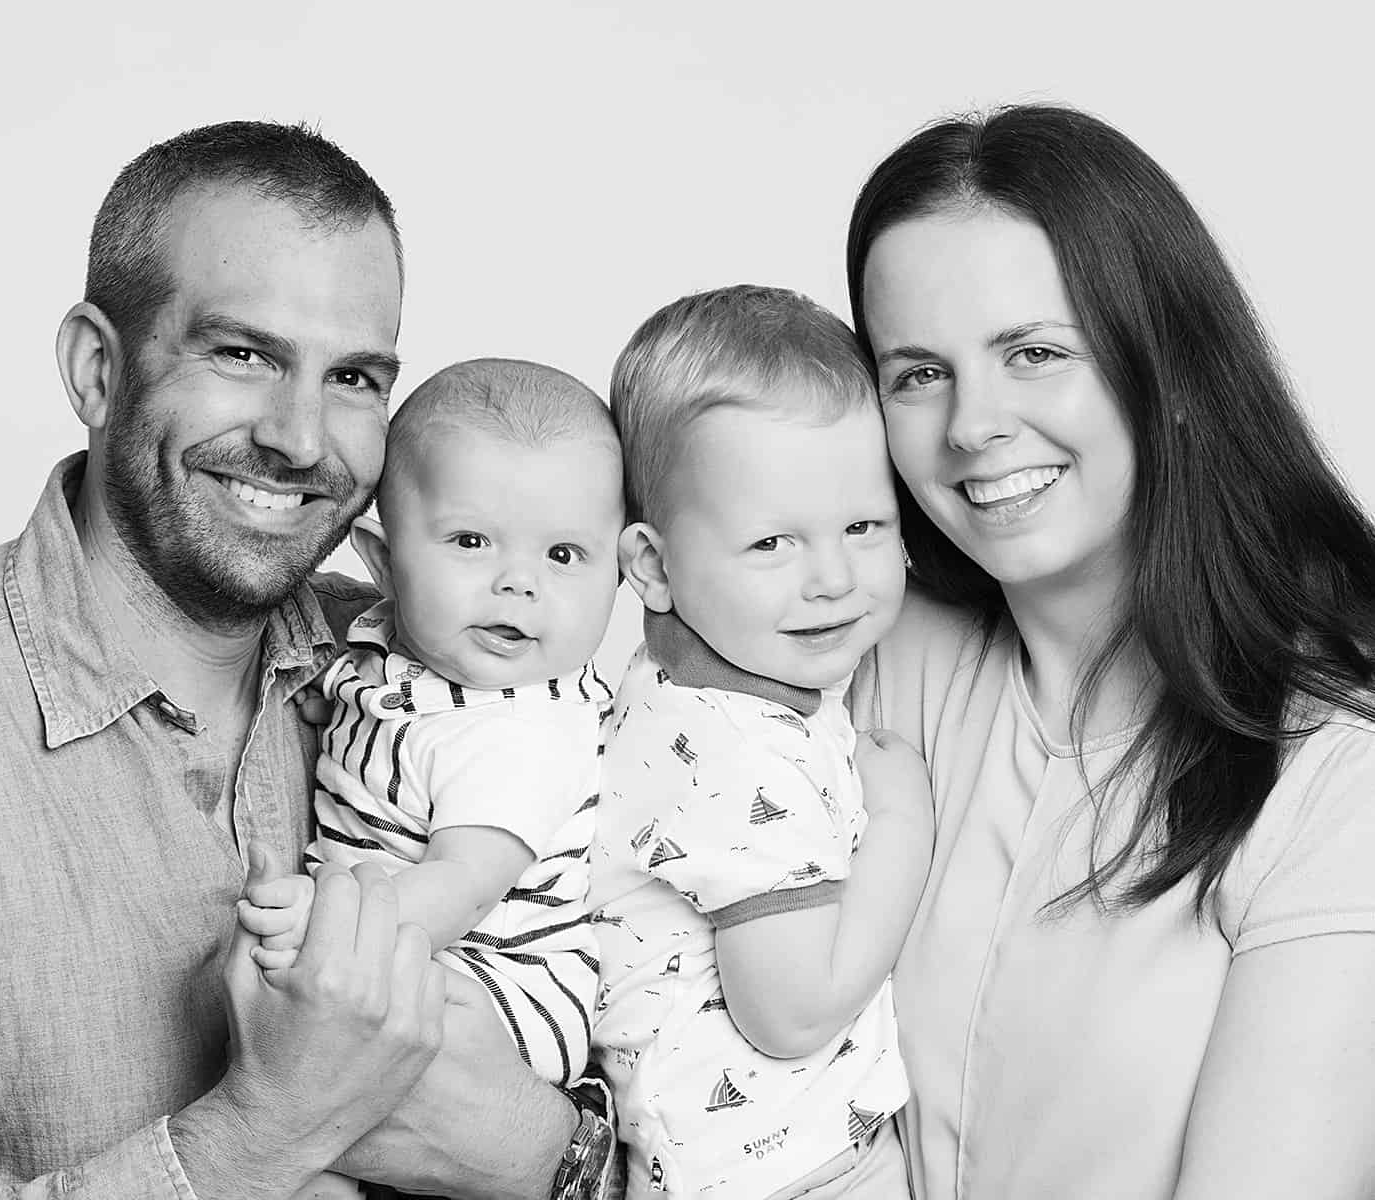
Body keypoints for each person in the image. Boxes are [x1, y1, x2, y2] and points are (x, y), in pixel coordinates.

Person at [0, 120, 602, 1200]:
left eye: (354, 376)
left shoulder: (438, 672)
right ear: (95, 368)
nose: (302, 439)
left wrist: (551, 1154)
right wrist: (269, 1126)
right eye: (244, 354)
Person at [844, 104, 1375, 1198]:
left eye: (1034, 353)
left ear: (1167, 366)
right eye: (916, 373)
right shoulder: (871, 656)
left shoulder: (1339, 774)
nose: (971, 425)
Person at [591, 285, 932, 1198]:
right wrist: (902, 820)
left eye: (864, 527)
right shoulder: (736, 753)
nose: (832, 579)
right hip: (794, 1175)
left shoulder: (696, 689)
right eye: (774, 543)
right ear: (653, 567)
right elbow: (791, 1011)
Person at [239, 358, 622, 1088]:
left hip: (503, 986)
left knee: (330, 1053)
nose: (519, 580)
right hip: (415, 942)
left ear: (621, 572)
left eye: (564, 554)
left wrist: (327, 920)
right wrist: (332, 704)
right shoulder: (396, 648)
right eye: (472, 542)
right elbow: (375, 701)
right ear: (384, 560)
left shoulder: (526, 734)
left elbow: (461, 885)